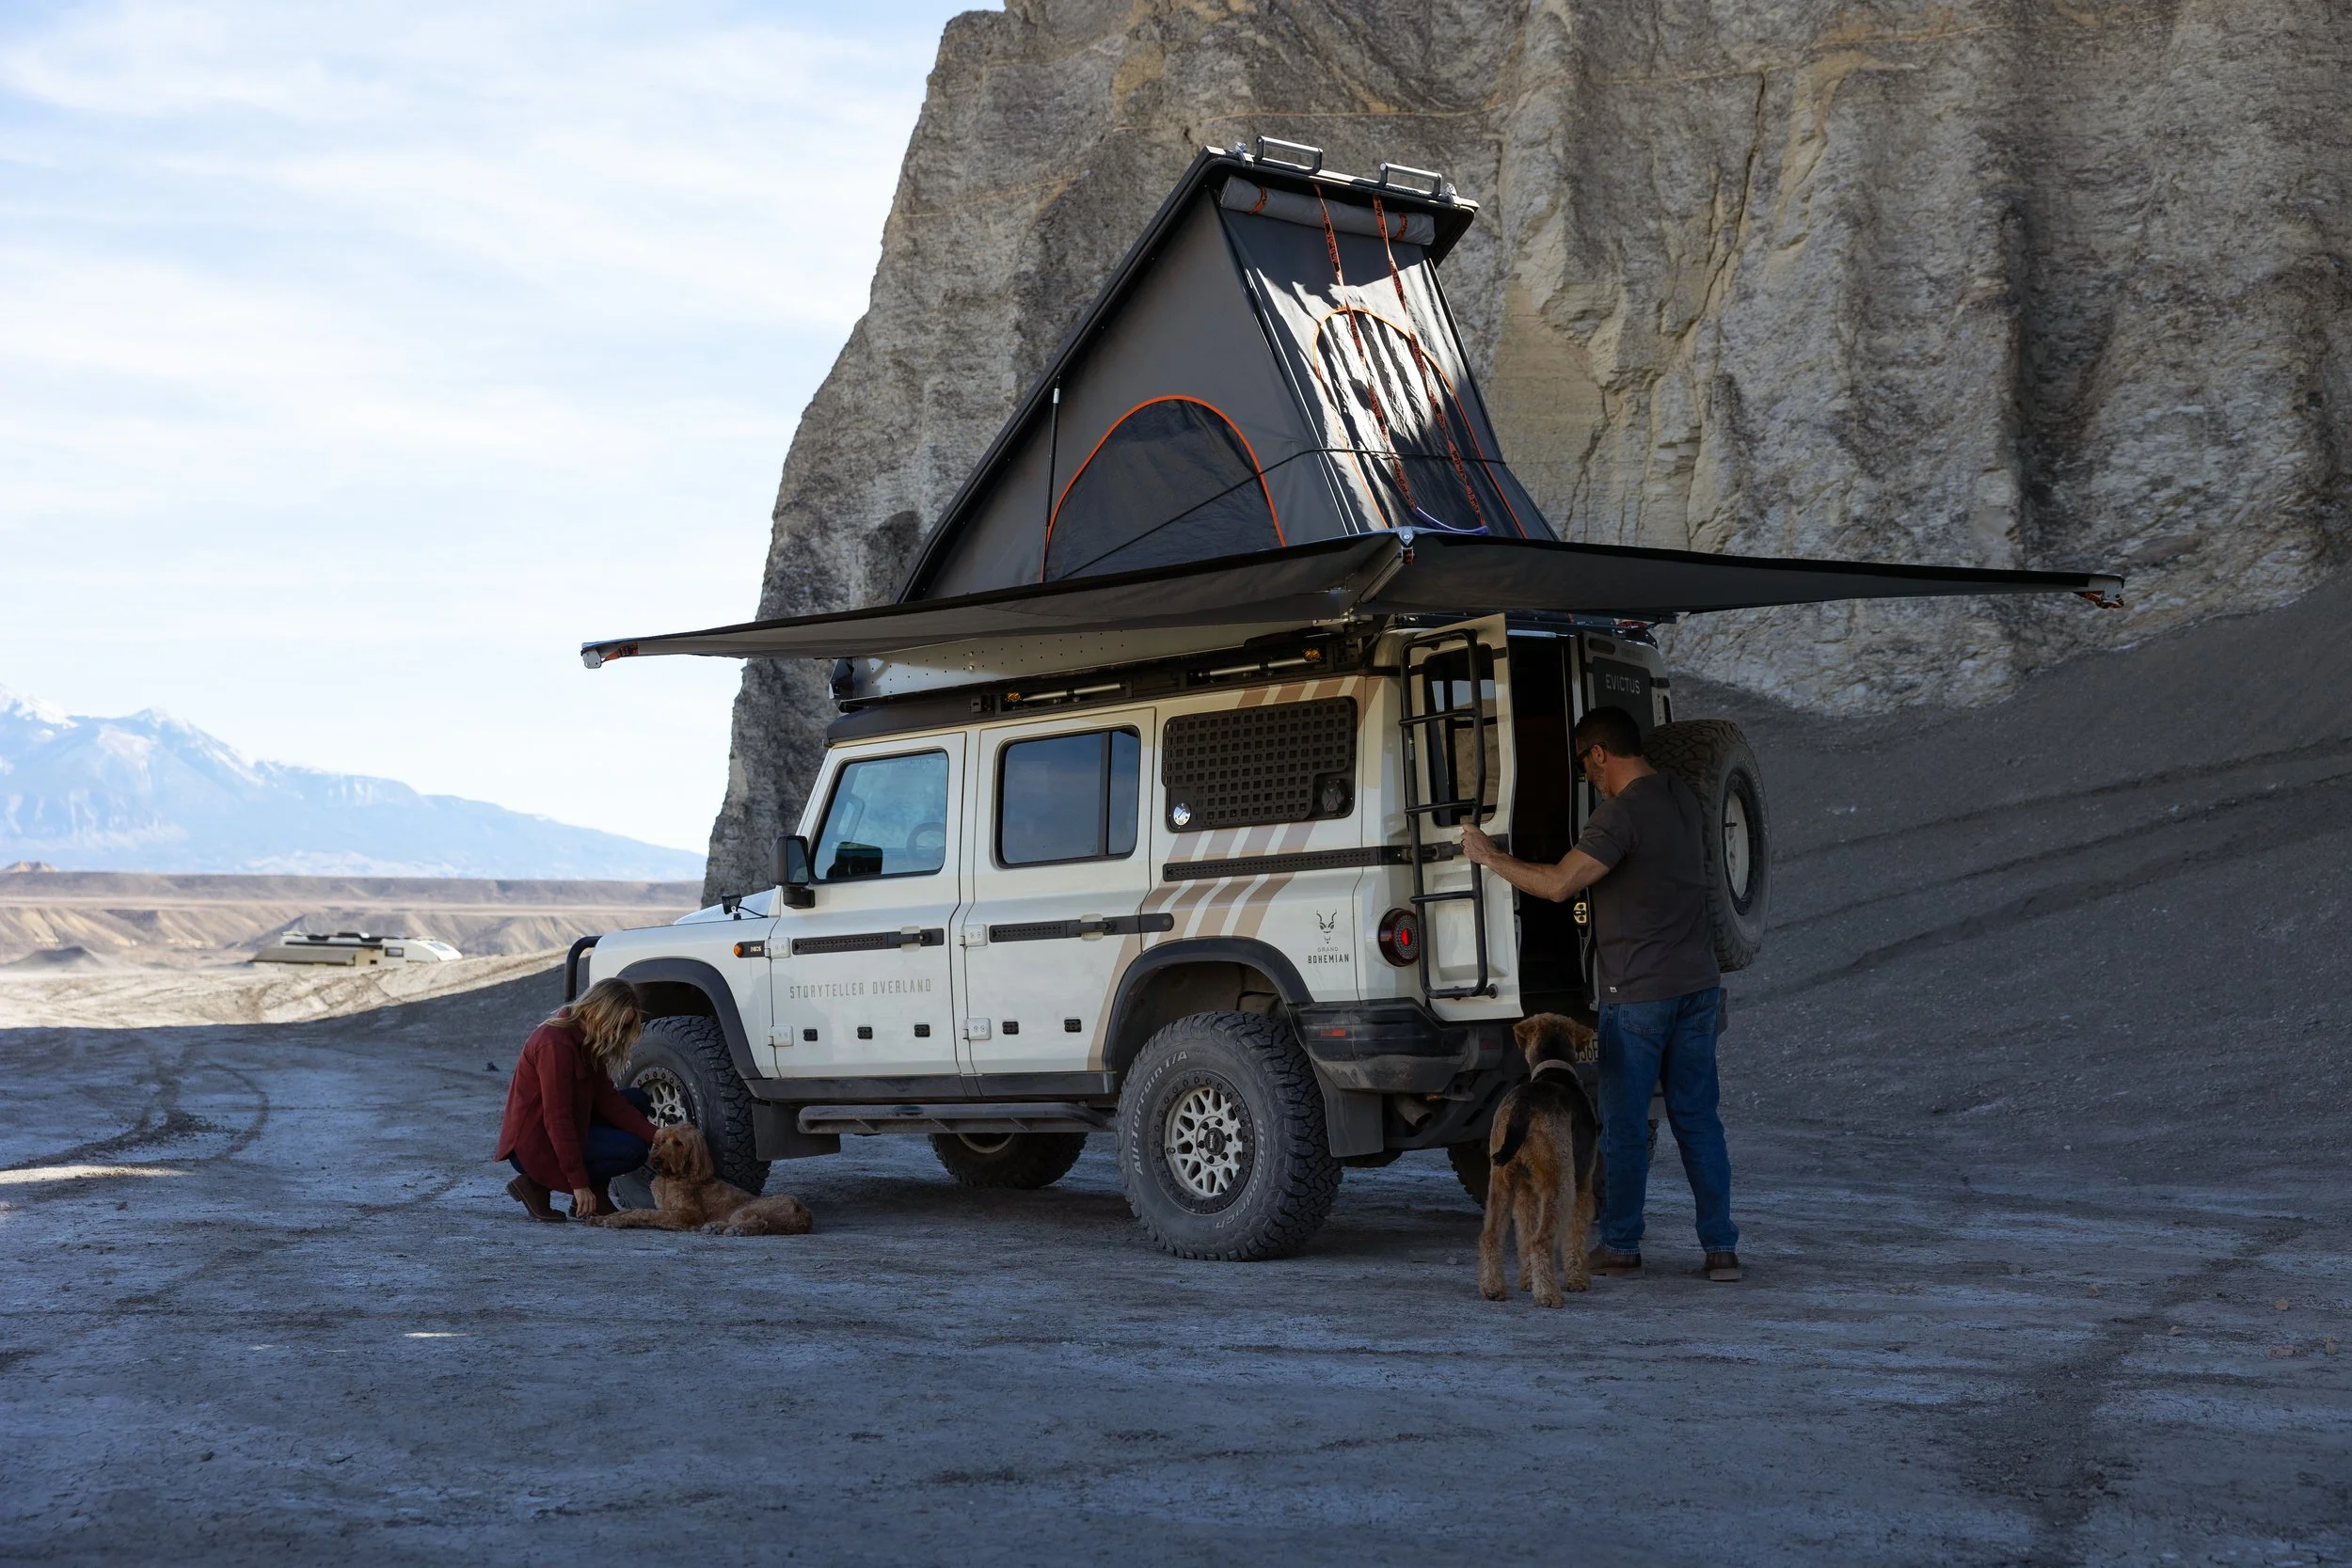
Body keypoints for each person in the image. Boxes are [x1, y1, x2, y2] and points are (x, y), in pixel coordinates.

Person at [1461, 705, 1741, 1283]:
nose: (1589, 776)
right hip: (1698, 987)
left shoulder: (1619, 815)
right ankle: (1721, 1251)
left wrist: (1491, 858)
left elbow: (1561, 884)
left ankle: (1621, 1244)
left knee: (1625, 1126)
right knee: (1698, 1121)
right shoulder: (1682, 798)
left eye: (1587, 765)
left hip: (1638, 994)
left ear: (1599, 754)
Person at [495, 978, 660, 1223]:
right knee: (632, 1150)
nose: (619, 1034)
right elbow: (556, 1119)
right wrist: (579, 1184)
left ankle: (588, 1197)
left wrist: (656, 1136)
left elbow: (607, 1099)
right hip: (536, 1143)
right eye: (618, 1025)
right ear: (600, 1013)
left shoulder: (587, 1038)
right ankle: (538, 1183)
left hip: (571, 1122)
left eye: (624, 1028)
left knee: (636, 1100)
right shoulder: (554, 1044)